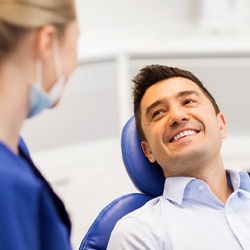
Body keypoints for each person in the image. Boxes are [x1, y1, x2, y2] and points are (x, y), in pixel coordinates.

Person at [107, 64, 250, 249]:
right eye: (158, 113)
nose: (177, 116)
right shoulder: (138, 233)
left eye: (188, 101)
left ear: (221, 124)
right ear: (148, 150)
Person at [0, 0, 79, 249]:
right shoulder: (6, 183)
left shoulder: (14, 150)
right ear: (47, 42)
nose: (75, 60)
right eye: (75, 41)